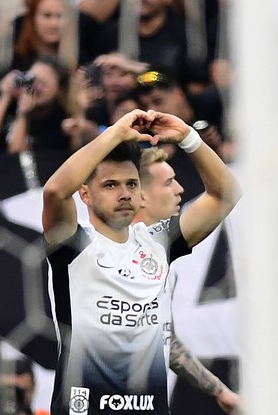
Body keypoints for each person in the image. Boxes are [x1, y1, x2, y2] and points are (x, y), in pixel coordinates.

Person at [42, 107, 239, 415]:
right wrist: (115, 133)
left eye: (131, 184)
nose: (124, 194)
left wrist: (188, 137)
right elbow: (54, 192)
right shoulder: (74, 245)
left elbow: (226, 195)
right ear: (85, 194)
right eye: (111, 185)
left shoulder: (159, 243)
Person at [134, 148, 240, 414]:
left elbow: (165, 339)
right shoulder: (98, 249)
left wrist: (220, 391)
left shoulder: (160, 249)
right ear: (141, 196)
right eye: (169, 182)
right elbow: (56, 192)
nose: (180, 189)